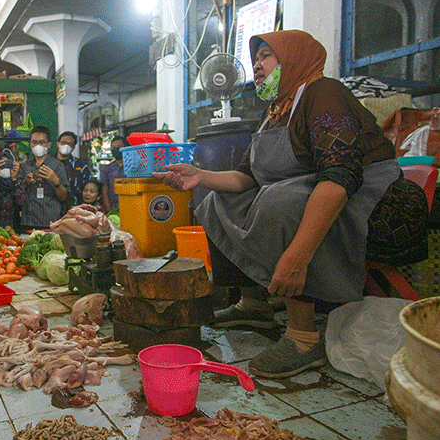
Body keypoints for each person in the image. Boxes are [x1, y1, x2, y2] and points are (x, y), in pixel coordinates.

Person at [154, 30, 428, 379]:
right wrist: (199, 176)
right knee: (216, 201)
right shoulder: (275, 112)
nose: (257, 65)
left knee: (281, 199)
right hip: (316, 191)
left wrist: (296, 258)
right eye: (255, 59)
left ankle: (303, 336)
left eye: (266, 56)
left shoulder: (323, 93)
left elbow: (340, 175)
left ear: (294, 59)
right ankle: (254, 305)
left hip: (376, 202)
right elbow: (245, 178)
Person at [19, 125, 69, 230]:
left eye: (42, 142)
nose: (38, 146)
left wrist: (56, 181)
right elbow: (17, 194)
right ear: (30, 144)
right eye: (34, 142)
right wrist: (26, 182)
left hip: (50, 221)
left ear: (49, 145)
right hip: (28, 220)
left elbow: (64, 197)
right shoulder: (25, 166)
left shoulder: (57, 166)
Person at [56, 131, 91, 210]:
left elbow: (86, 187)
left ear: (73, 147)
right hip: (51, 209)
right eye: (63, 142)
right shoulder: (49, 163)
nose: (66, 145)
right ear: (58, 144)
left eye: (69, 144)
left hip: (74, 209)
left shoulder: (81, 165)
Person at [101, 136, 129, 212]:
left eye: (119, 146)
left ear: (125, 147)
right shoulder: (108, 168)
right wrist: (110, 211)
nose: (116, 149)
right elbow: (105, 191)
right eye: (113, 147)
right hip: (114, 209)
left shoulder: (133, 165)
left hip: (131, 207)